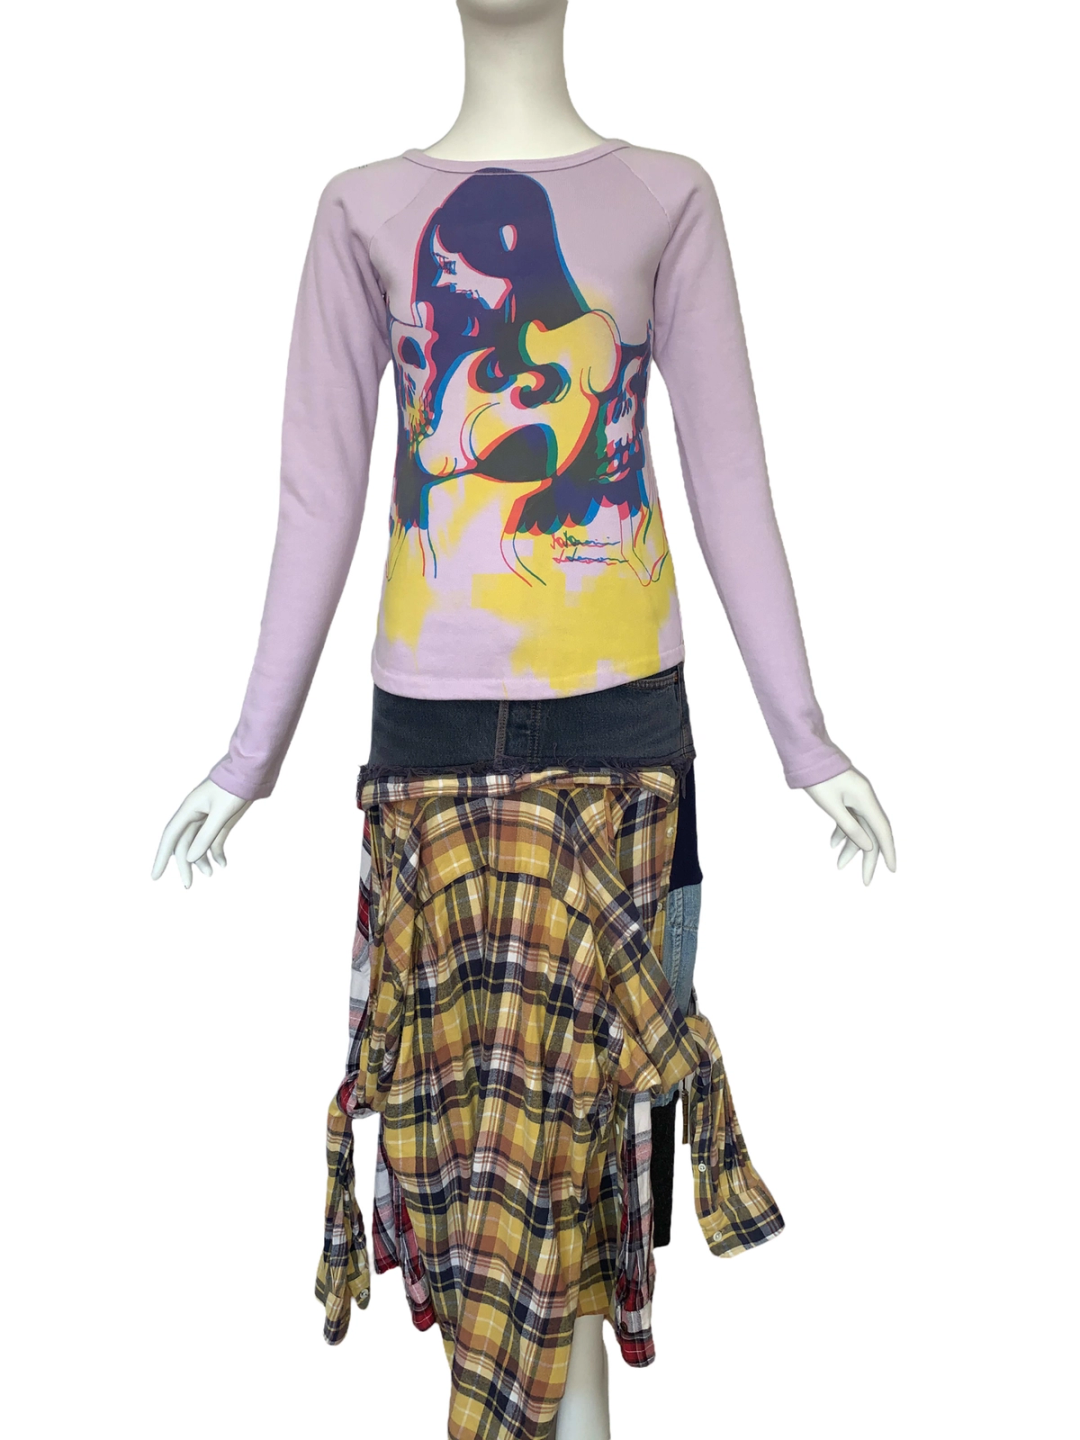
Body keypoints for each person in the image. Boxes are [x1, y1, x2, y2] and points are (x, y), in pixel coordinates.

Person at [151, 5, 895, 1438]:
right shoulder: (361, 212)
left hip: (626, 755)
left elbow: (730, 473)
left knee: (590, 1188)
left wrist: (807, 740)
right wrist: (251, 756)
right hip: (429, 765)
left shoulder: (666, 198)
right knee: (472, 1192)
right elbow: (319, 489)